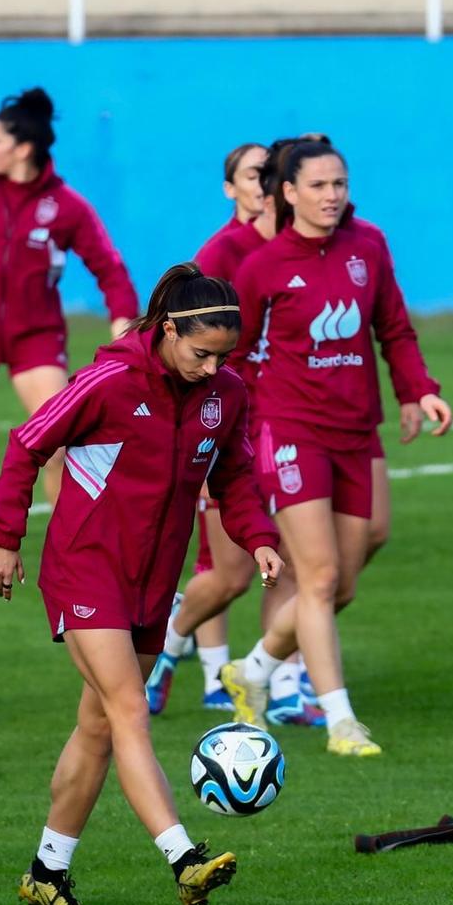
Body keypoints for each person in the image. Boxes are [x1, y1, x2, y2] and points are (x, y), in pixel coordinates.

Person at [0, 265, 281, 905]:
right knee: (127, 710)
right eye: (200, 352)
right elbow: (26, 443)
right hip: (85, 568)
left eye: (224, 356)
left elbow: (233, 476)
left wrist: (257, 535)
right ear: (168, 329)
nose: (212, 368)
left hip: (153, 581)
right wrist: (4, 536)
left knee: (97, 726)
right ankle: (184, 858)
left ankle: (46, 871)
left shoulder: (225, 393)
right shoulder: (107, 382)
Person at [221, 140, 453, 757]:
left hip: (357, 430)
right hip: (290, 428)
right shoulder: (262, 267)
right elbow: (235, 360)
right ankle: (341, 721)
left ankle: (253, 669)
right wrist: (223, 439)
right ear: (287, 193)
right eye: (318, 185)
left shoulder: (368, 247)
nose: (332, 196)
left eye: (340, 184)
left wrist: (418, 392)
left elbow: (394, 327)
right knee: (318, 576)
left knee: (345, 576)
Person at [0, 87, 138, 503]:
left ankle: (66, 558)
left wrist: (123, 318)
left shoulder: (67, 206)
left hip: (35, 340)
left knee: (60, 443)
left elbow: (110, 268)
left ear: (23, 149)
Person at [147, 141, 273, 716]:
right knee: (226, 569)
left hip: (286, 423)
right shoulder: (223, 252)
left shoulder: (300, 250)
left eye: (271, 175)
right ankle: (174, 652)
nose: (264, 186)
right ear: (231, 187)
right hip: (229, 426)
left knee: (306, 563)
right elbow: (191, 355)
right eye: (254, 175)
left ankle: (269, 678)